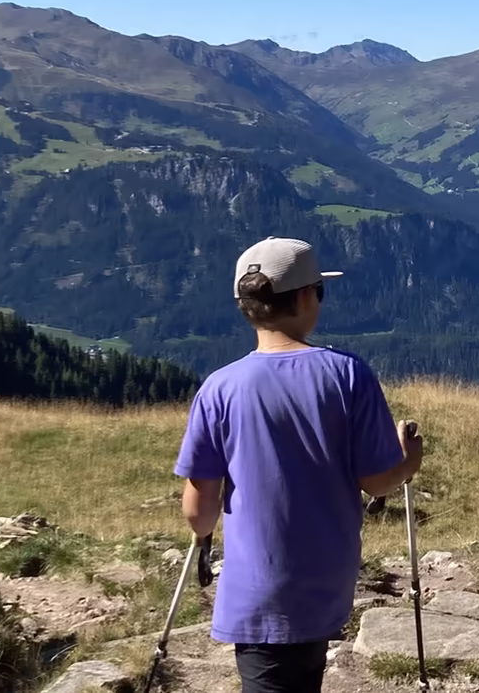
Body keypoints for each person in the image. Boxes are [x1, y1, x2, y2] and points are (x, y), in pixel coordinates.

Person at [174, 236, 424, 693]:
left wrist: (204, 528)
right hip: (326, 584)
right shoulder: (348, 374)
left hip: (256, 592)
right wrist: (408, 462)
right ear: (307, 297)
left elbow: (199, 512)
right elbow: (376, 481)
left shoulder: (219, 389)